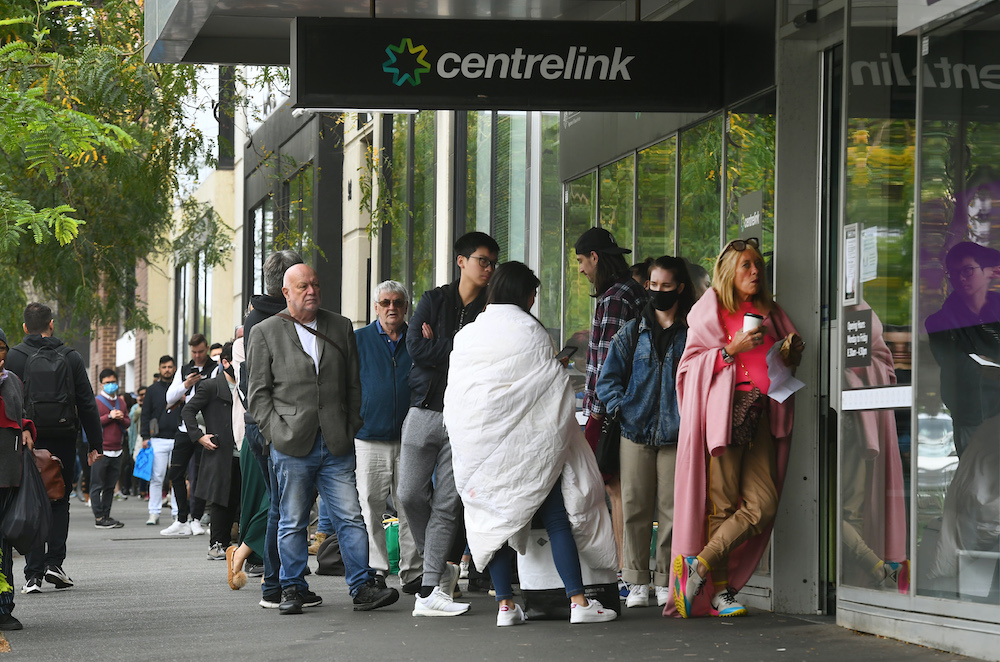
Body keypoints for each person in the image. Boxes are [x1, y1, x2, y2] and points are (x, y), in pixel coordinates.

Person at [444, 262, 619, 626]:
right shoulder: (531, 330)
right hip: (528, 445)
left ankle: (505, 607)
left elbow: (460, 394)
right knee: (556, 517)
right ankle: (578, 601)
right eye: (533, 293)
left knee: (492, 521)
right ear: (523, 293)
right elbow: (550, 387)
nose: (534, 300)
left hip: (480, 444)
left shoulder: (468, 334)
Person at [246, 263, 398, 615]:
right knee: (292, 520)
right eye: (302, 286)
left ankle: (362, 587)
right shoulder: (266, 331)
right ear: (286, 292)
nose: (311, 290)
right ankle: (292, 588)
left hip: (336, 442)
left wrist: (350, 425)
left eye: (315, 284)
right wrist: (277, 433)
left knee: (350, 516)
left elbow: (353, 385)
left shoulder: (340, 326)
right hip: (291, 443)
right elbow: (258, 395)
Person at [670, 237, 803, 618]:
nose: (755, 271)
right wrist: (731, 349)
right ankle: (721, 593)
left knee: (763, 505)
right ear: (729, 271)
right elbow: (688, 367)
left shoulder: (770, 311)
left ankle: (698, 565)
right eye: (746, 265)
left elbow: (779, 364)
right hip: (723, 416)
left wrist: (790, 353)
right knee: (722, 504)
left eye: (758, 264)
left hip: (759, 415)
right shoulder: (709, 309)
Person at [397, 231, 499, 617]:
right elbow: (415, 349)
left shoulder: (491, 309)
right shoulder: (433, 299)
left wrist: (443, 342)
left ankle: (430, 589)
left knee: (447, 503)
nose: (488, 268)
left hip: (466, 417)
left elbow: (485, 358)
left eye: (492, 263)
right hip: (423, 409)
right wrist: (460, 345)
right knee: (408, 494)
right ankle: (440, 570)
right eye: (482, 261)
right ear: (462, 261)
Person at [596, 256, 694, 609]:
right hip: (634, 432)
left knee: (671, 509)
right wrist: (624, 409)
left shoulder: (692, 333)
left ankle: (666, 579)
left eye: (666, 286)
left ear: (680, 288)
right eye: (652, 285)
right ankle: (636, 580)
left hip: (676, 434)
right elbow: (606, 380)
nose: (658, 292)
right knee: (635, 507)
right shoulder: (631, 332)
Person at [7, 302, 103, 594]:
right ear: (51, 324)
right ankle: (54, 563)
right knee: (59, 499)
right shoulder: (70, 356)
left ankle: (33, 573)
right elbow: (86, 401)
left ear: (25, 327)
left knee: (31, 500)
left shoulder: (14, 357)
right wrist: (95, 444)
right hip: (63, 437)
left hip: (27, 439)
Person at [574, 227, 647, 580]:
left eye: (580, 260)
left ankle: (626, 571)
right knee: (620, 489)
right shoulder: (628, 292)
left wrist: (599, 412)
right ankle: (628, 568)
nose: (580, 269)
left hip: (612, 411)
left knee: (616, 489)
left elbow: (610, 363)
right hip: (626, 407)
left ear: (596, 258)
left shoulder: (616, 297)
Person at [241, 249, 303, 609]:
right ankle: (276, 582)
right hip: (273, 424)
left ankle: (279, 579)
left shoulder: (254, 317)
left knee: (281, 505)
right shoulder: (275, 321)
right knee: (282, 506)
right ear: (285, 286)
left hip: (262, 423)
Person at [354, 280, 422, 591]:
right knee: (371, 505)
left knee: (410, 504)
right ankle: (377, 570)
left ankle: (413, 571)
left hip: (410, 438)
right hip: (369, 437)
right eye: (385, 303)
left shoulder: (417, 339)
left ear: (406, 306)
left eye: (397, 302)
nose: (391, 307)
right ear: (376, 307)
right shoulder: (359, 340)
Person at [925, 242, 1000, 457]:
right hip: (972, 417)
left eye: (967, 270)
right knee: (976, 487)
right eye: (954, 273)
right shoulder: (940, 322)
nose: (960, 278)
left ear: (987, 271)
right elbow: (961, 367)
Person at [183, 342, 240, 561]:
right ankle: (218, 544)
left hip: (246, 451)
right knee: (220, 499)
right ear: (225, 362)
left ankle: (244, 546)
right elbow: (188, 410)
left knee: (244, 500)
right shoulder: (210, 386)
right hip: (220, 451)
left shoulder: (250, 384)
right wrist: (199, 436)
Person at [161, 333, 217, 536]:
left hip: (205, 429)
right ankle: (182, 518)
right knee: (175, 473)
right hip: (184, 428)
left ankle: (196, 518)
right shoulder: (185, 369)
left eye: (201, 351)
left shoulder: (215, 368)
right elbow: (169, 397)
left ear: (207, 348)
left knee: (201, 476)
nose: (198, 356)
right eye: (194, 352)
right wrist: (186, 384)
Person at [0, 328, 36, 630]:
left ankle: (4, 607)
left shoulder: (12, 380)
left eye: (0, 348)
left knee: (3, 545)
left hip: (9, 475)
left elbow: (21, 412)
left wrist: (25, 427)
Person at [140, 356, 181, 526]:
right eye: (164, 366)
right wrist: (145, 437)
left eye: (170, 366)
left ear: (174, 368)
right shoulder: (152, 390)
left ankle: (178, 513)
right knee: (156, 477)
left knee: (177, 477)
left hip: (179, 437)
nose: (167, 369)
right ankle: (154, 512)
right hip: (157, 439)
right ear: (159, 368)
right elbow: (145, 414)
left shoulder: (180, 388)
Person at [91, 368, 130, 529]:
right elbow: (92, 423)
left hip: (117, 449)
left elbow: (128, 423)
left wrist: (121, 418)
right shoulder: (97, 401)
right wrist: (109, 417)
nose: (111, 385)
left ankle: (106, 515)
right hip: (101, 451)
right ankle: (99, 517)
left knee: (110, 486)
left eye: (113, 382)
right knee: (97, 485)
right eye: (107, 383)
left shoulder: (121, 402)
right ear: (101, 385)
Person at [127, 386, 147, 499]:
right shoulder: (136, 407)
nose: (143, 397)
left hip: (149, 437)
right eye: (141, 395)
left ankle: (144, 489)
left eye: (145, 394)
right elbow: (133, 419)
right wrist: (140, 405)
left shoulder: (152, 405)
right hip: (138, 437)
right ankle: (141, 489)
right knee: (139, 463)